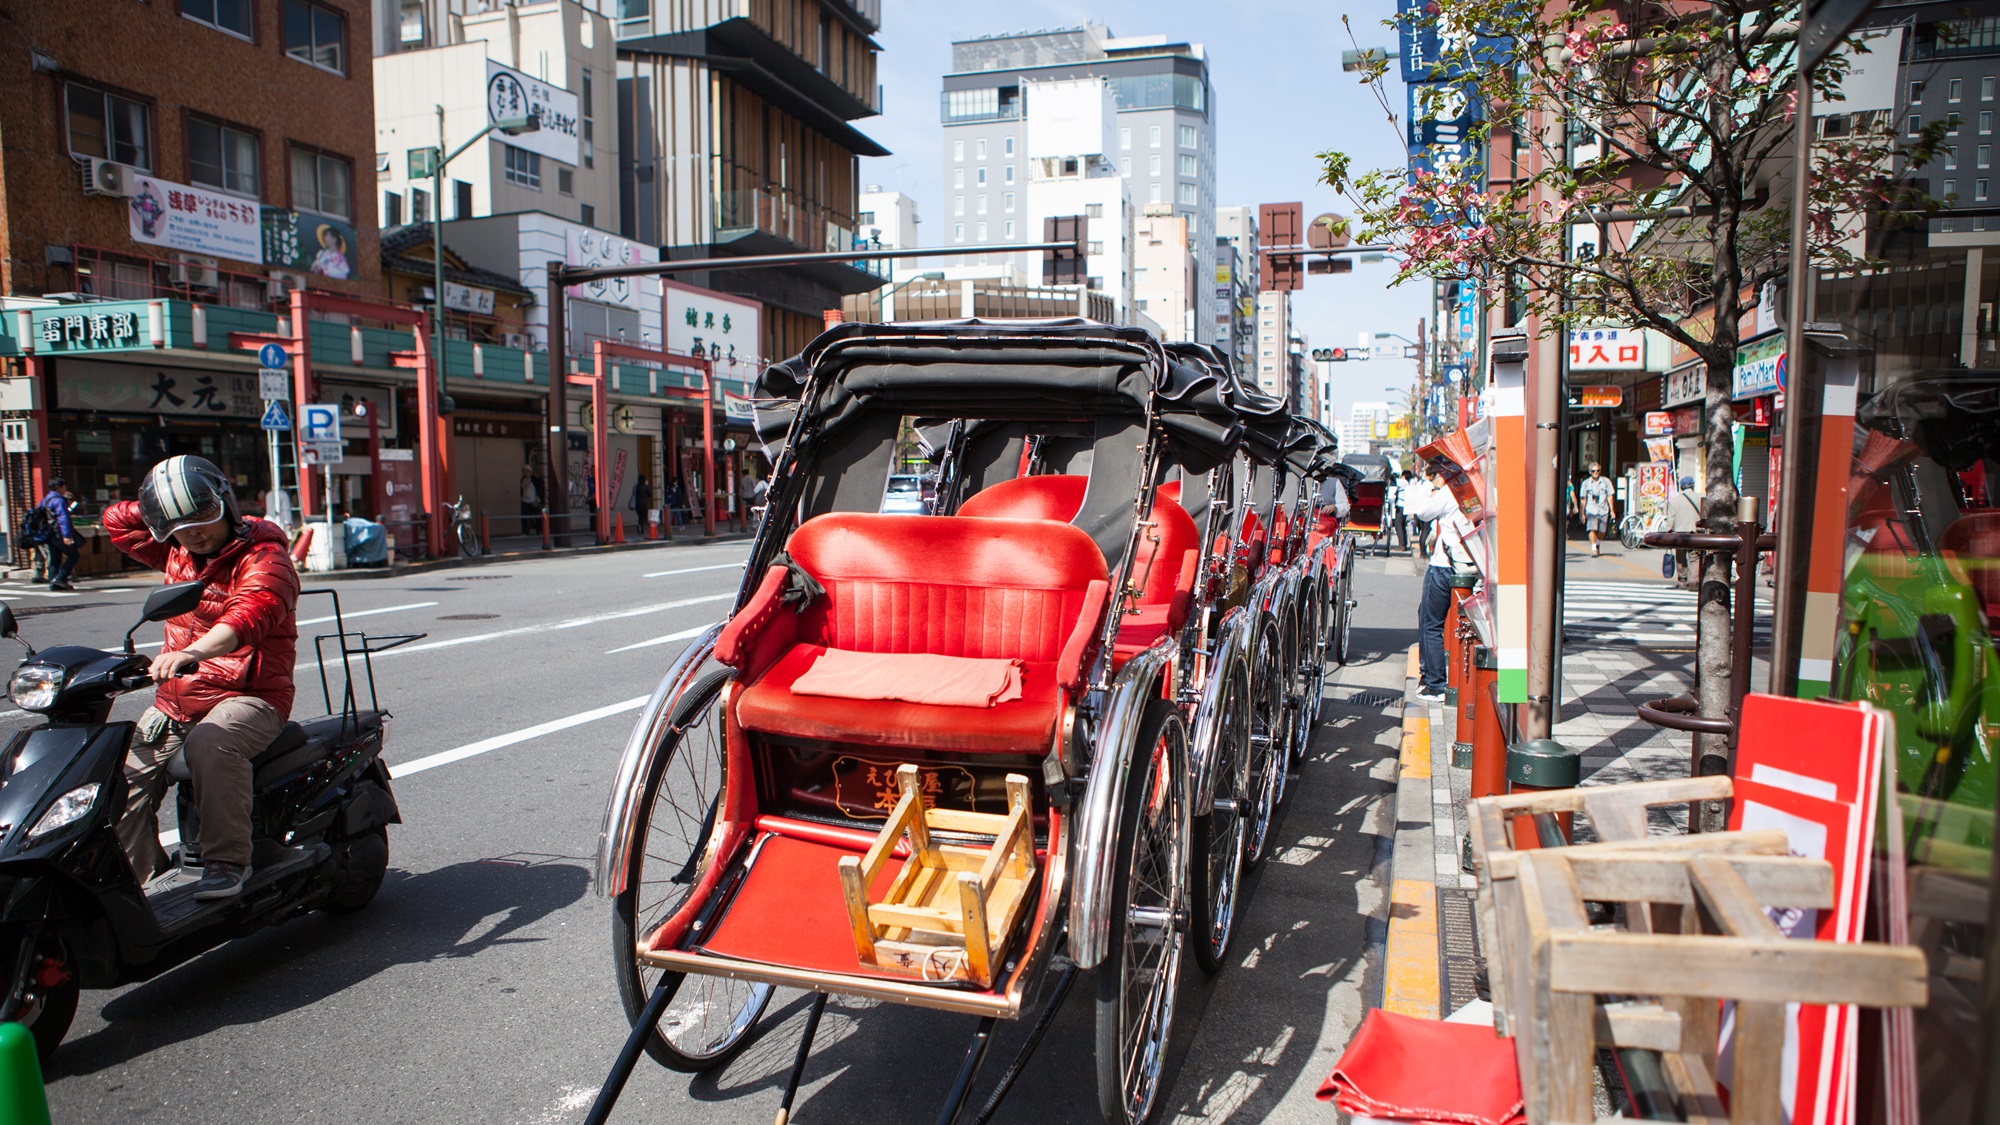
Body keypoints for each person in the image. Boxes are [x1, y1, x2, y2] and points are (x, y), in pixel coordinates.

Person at [105, 456, 300, 901]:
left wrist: (191, 652)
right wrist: (163, 499)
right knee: (118, 776)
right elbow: (116, 522)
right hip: (174, 703)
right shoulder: (176, 549)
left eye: (202, 515)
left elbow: (251, 614)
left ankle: (227, 863)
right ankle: (141, 884)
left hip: (250, 696)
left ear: (225, 505)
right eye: (177, 523)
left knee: (212, 743)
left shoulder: (266, 557)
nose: (193, 531)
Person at [1405, 464, 1478, 703]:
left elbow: (1423, 511)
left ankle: (1435, 684)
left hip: (1445, 565)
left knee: (1431, 622)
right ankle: (1444, 680)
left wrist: (1436, 487)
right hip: (1472, 564)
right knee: (1466, 625)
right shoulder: (1481, 488)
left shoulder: (1451, 490)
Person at [39, 478, 78, 591]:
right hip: (58, 532)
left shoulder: (45, 499)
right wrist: (67, 535)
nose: (65, 489)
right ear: (59, 487)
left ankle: (53, 581)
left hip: (49, 533)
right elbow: (63, 518)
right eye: (64, 487)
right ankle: (60, 578)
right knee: (73, 555)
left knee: (55, 558)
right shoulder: (59, 500)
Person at [1666, 475, 1702, 587]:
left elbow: (1671, 519)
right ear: (1693, 486)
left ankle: (1682, 581)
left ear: (1681, 487)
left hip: (1679, 534)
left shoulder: (1675, 501)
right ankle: (1693, 582)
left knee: (1680, 558)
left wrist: (1668, 531)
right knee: (1694, 557)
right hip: (1694, 533)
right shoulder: (1700, 498)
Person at [1577, 462, 1617, 557]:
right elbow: (1583, 499)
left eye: (1598, 470)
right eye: (1593, 471)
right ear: (1590, 472)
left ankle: (1597, 542)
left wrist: (1612, 510)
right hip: (1591, 509)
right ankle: (1594, 548)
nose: (1596, 472)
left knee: (1602, 531)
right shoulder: (1586, 483)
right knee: (1592, 529)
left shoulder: (1606, 481)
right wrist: (1582, 513)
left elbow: (1610, 496)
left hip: (1603, 509)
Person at [519, 465, 542, 531]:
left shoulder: (534, 479)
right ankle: (525, 530)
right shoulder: (522, 479)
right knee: (524, 517)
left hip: (533, 500)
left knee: (536, 515)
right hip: (525, 500)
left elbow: (539, 487)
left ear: (528, 471)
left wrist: (537, 496)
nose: (523, 472)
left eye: (524, 470)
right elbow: (522, 489)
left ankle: (539, 529)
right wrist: (521, 496)